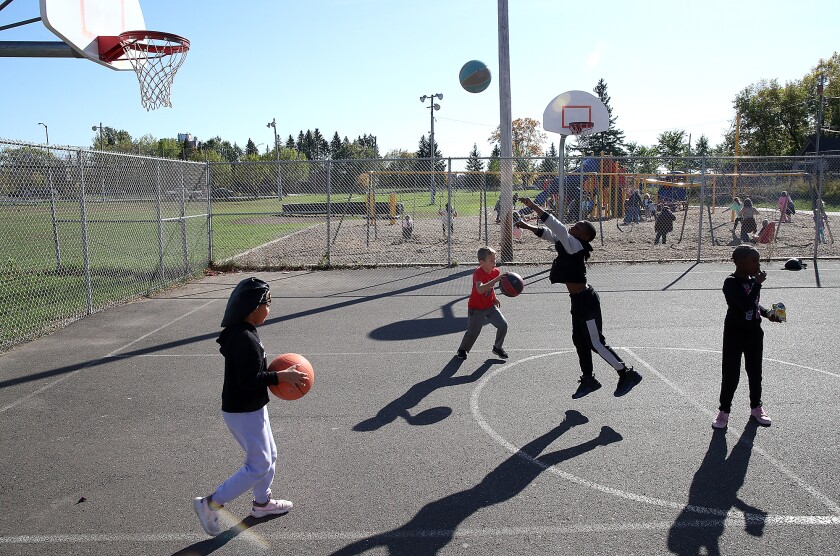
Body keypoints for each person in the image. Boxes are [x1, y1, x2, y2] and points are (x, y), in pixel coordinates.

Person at [193, 277, 310, 537]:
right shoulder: (244, 338)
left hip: (252, 407)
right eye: (267, 303)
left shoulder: (243, 332)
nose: (269, 309)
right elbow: (249, 380)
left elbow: (250, 374)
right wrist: (281, 377)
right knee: (258, 464)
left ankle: (262, 504)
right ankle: (210, 503)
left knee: (270, 456)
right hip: (242, 411)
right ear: (252, 307)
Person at [514, 197, 642, 399]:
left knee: (596, 343)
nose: (573, 226)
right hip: (578, 301)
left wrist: (533, 207)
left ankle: (626, 373)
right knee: (579, 341)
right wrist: (527, 227)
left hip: (586, 302)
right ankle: (589, 379)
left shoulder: (575, 244)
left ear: (584, 235)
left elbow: (556, 227)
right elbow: (549, 234)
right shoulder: (569, 242)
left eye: (578, 226)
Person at [712, 246, 780, 429]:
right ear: (741, 263)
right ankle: (723, 411)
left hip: (754, 333)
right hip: (735, 333)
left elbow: (756, 305)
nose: (758, 264)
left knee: (755, 371)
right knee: (731, 373)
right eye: (755, 260)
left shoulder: (751, 280)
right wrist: (758, 284)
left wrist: (769, 314)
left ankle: (756, 407)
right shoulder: (731, 282)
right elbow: (745, 305)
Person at [457, 246, 509, 360]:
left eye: (495, 259)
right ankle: (462, 349)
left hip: (490, 305)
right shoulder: (478, 273)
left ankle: (497, 347)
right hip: (476, 308)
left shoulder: (495, 271)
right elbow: (480, 289)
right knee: (473, 332)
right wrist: (496, 279)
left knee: (503, 325)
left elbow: (491, 287)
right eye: (491, 260)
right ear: (482, 262)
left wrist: (494, 297)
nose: (494, 262)